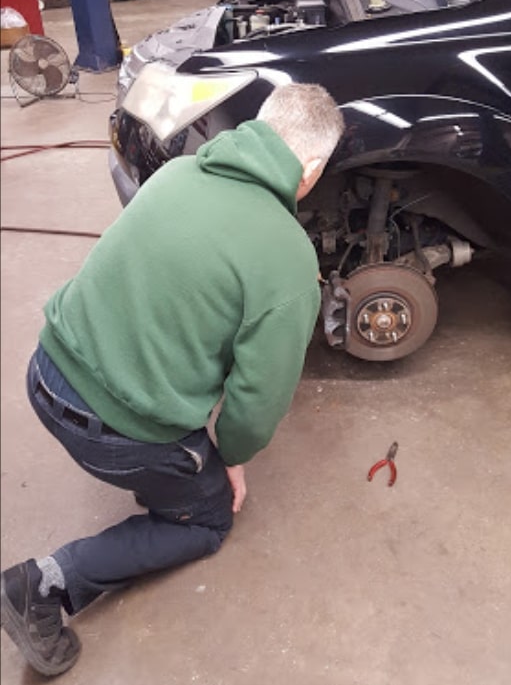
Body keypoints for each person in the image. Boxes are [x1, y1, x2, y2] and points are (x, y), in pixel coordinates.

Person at [0, 83, 345, 676]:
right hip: (113, 432)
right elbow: (257, 399)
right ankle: (44, 586)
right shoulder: (287, 258)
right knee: (210, 519)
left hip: (43, 372)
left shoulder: (178, 172)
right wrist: (231, 458)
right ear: (310, 171)